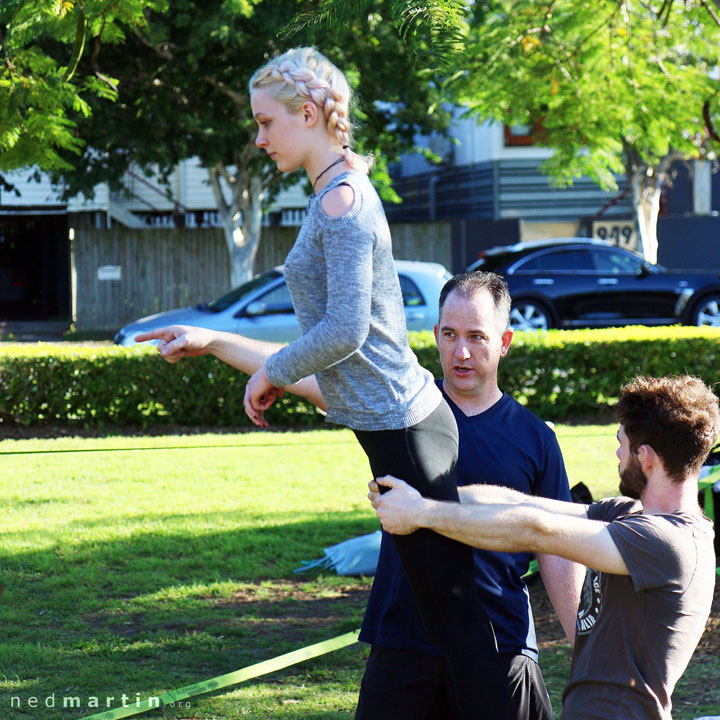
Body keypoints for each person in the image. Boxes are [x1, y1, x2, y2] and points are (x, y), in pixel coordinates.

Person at [137, 47, 508, 719]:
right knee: (439, 620)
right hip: (396, 428)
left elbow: (345, 331)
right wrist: (220, 344)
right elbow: (347, 368)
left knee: (455, 622)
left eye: (265, 122)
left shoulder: (341, 203)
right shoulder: (334, 193)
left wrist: (274, 371)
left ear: (307, 115)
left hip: (408, 435)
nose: (259, 138)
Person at [138, 270, 583, 719]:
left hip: (499, 648)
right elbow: (298, 373)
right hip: (404, 643)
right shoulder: (401, 408)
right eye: (449, 334)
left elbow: (560, 554)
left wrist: (588, 655)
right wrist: (213, 341)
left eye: (477, 337)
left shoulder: (535, 438)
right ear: (434, 334)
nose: (460, 352)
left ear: (505, 341)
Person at [369, 374, 719, 720]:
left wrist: (423, 513)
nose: (616, 452)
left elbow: (536, 530)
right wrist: (415, 496)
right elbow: (522, 504)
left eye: (621, 443)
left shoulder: (671, 542)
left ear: (645, 458)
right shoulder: (628, 515)